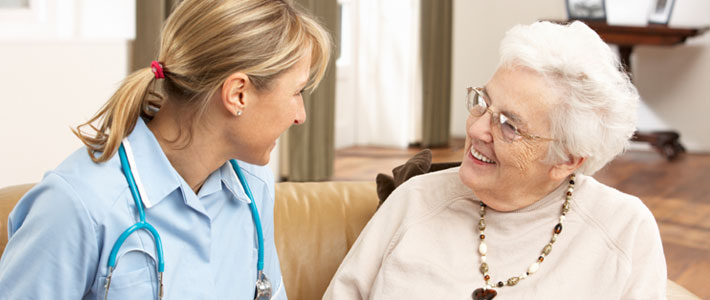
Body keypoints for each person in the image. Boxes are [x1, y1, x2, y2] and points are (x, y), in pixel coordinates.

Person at [0, 0, 331, 299]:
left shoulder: (253, 186)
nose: (301, 116)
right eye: (297, 92)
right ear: (238, 94)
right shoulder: (78, 203)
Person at [323, 21, 666, 299]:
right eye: (482, 102)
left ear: (567, 160)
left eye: (509, 126)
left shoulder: (624, 229)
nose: (477, 128)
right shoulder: (415, 200)